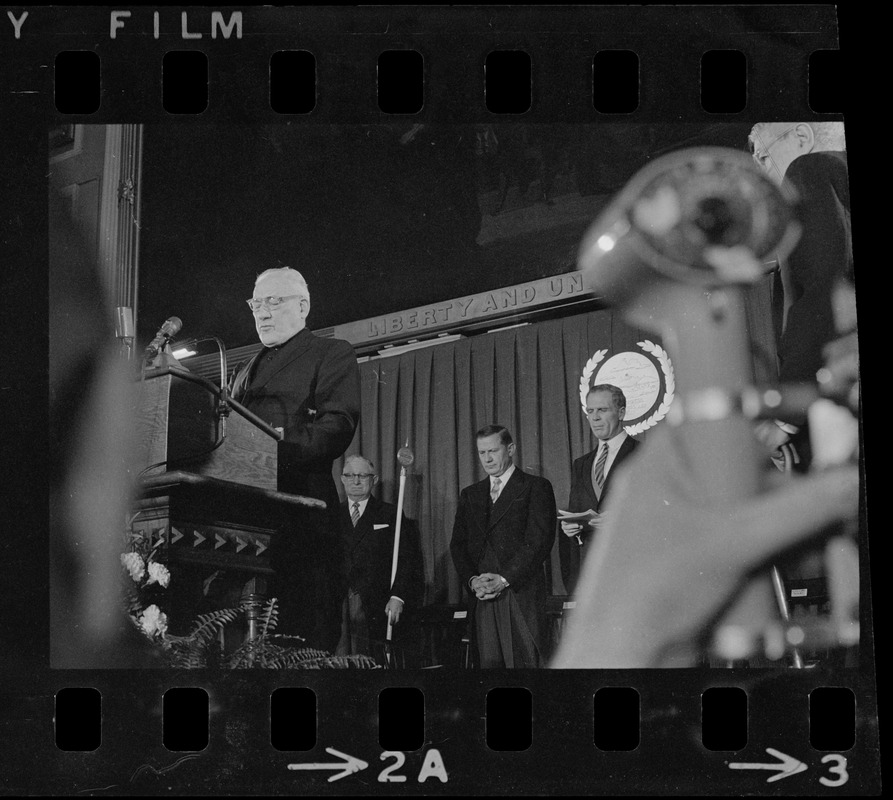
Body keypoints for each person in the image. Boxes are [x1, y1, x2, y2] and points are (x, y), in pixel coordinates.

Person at [230, 267, 361, 651]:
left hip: (303, 527)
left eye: (274, 301)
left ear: (303, 306)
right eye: (257, 304)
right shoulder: (242, 370)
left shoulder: (331, 353)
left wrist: (275, 446)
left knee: (301, 646)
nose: (263, 312)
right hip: (244, 525)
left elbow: (336, 426)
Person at [747, 122, 851, 465]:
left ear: (802, 137)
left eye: (762, 156)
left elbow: (823, 292)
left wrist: (784, 418)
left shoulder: (807, 167)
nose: (760, 171)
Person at [450, 425, 556, 668]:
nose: (487, 459)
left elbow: (539, 541)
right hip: (482, 596)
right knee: (489, 671)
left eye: (493, 451)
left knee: (524, 668)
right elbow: (458, 545)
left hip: (519, 594)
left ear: (511, 449)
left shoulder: (535, 486)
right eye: (481, 452)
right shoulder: (471, 494)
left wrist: (505, 578)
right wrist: (472, 581)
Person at [335, 454, 423, 660]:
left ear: (373, 480)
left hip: (374, 602)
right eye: (350, 475)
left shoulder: (389, 514)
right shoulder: (331, 514)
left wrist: (397, 596)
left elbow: (406, 558)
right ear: (342, 479)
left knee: (368, 662)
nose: (355, 481)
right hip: (337, 601)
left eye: (362, 476)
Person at [558, 384, 640, 595]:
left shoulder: (644, 455)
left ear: (621, 412)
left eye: (602, 410)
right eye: (590, 411)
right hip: (591, 577)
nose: (594, 417)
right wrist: (572, 530)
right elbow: (577, 511)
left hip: (632, 571)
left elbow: (660, 512)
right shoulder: (581, 464)